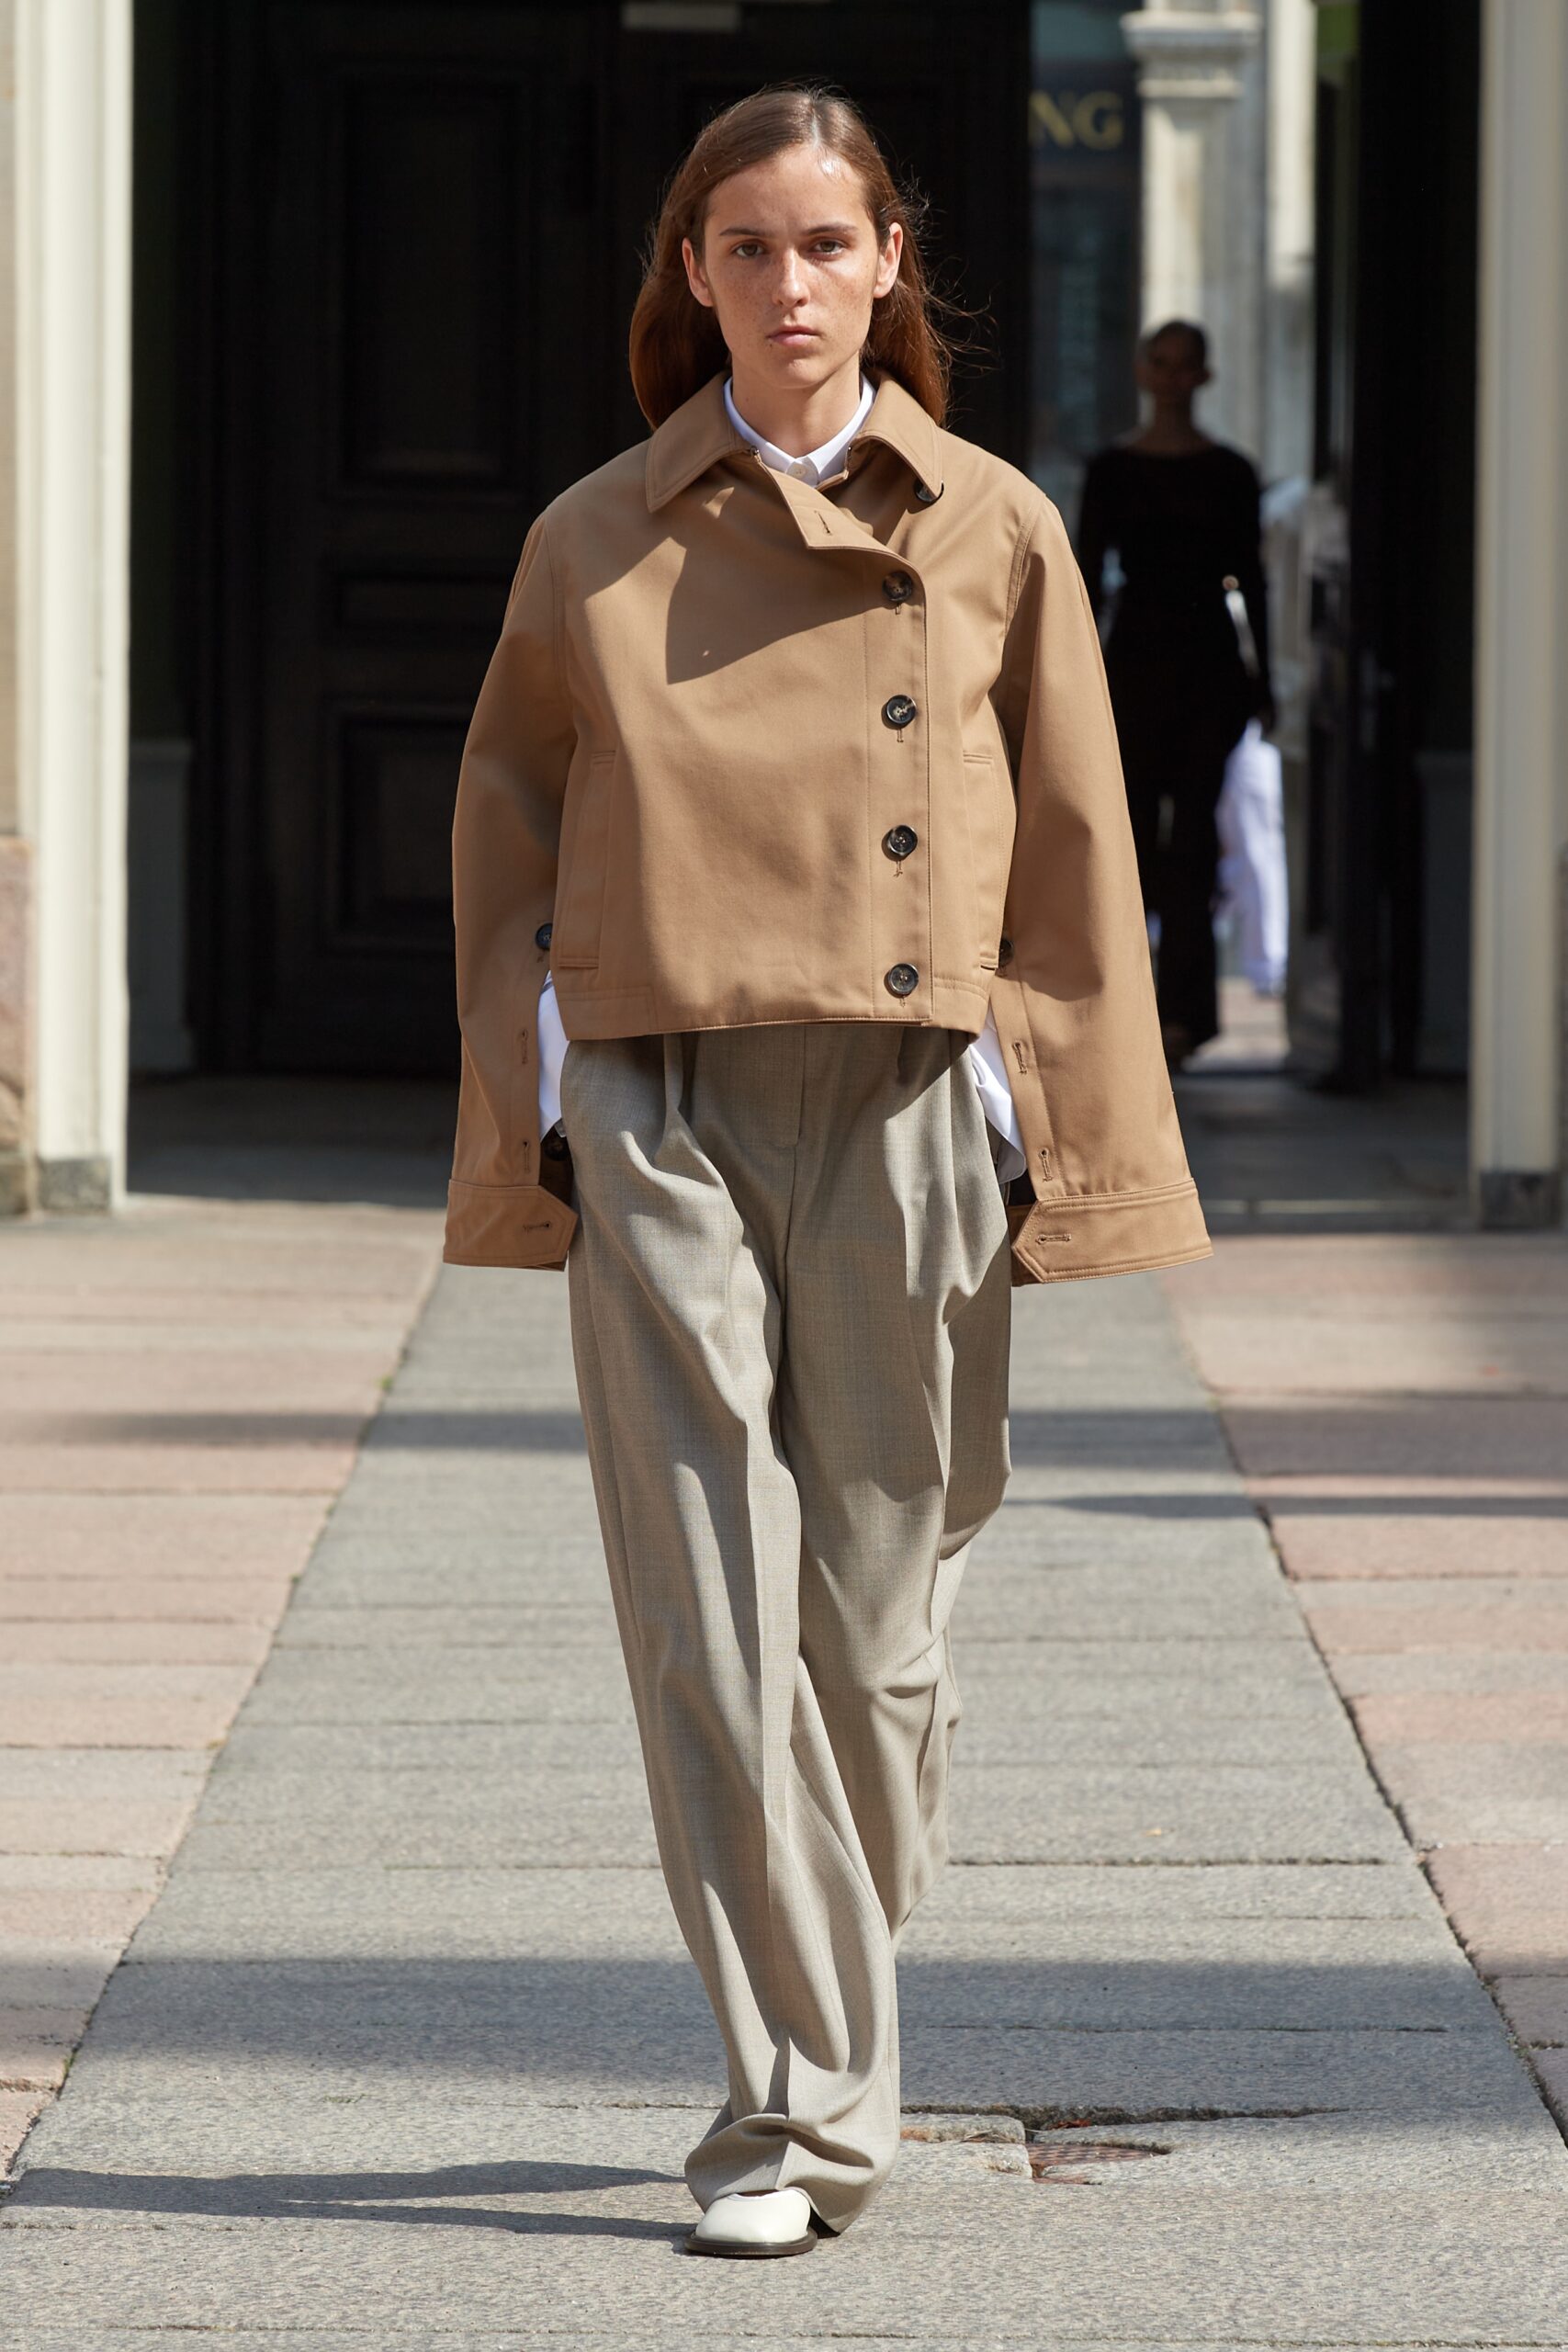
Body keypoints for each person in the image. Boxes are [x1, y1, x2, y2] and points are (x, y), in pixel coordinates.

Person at [445, 87, 1209, 2258]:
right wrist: (553, 1093)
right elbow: (501, 832)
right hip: (665, 1083)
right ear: (686, 276)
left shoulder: (989, 526)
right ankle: (797, 2104)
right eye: (742, 247)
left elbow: (1072, 856)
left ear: (889, 262)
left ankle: (822, 2028)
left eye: (821, 244)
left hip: (899, 1103)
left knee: (873, 1627)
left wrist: (1039, 1131)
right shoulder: (593, 535)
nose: (784, 285)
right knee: (696, 1608)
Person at [1077, 321, 1275, 1067]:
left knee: (1192, 842)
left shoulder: (1230, 472)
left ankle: (1184, 1017)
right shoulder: (1111, 470)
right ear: (1141, 372)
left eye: (1182, 365)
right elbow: (1086, 580)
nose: (1168, 377)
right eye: (1158, 363)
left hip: (1207, 674)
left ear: (1202, 377)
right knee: (1122, 843)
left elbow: (1250, 581)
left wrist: (1259, 682)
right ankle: (1118, 1014)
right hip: (1131, 669)